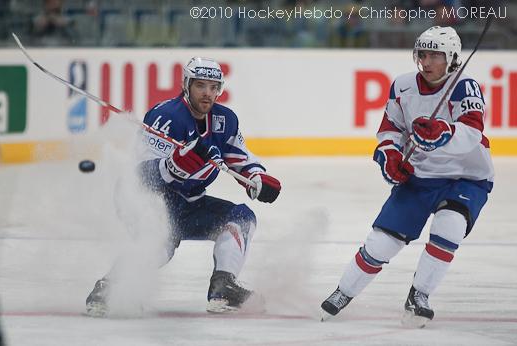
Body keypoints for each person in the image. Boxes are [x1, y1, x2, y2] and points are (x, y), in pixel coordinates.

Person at [321, 26, 494, 327]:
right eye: (422, 54)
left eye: (435, 56)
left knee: (450, 224)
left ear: (451, 58)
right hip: (422, 176)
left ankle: (420, 295)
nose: (426, 62)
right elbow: (391, 130)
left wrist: (444, 132)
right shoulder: (402, 86)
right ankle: (343, 291)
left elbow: (473, 132)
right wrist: (389, 155)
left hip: (467, 176)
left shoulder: (465, 85)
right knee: (381, 243)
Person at [85, 57, 281, 316]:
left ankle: (223, 287)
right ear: (186, 85)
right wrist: (173, 166)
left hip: (188, 202)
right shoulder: (165, 117)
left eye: (214, 87)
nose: (208, 93)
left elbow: (239, 157)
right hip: (144, 199)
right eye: (201, 85)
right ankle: (108, 288)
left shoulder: (225, 120)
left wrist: (256, 178)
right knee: (160, 241)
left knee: (241, 217)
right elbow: (141, 176)